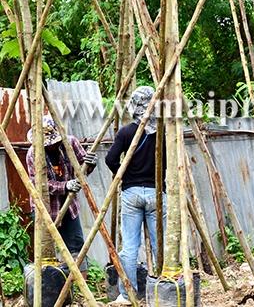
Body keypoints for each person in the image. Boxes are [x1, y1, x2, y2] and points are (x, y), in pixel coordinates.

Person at [105, 86, 165, 302]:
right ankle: (161, 290)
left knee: (130, 247)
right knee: (160, 244)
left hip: (131, 194)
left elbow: (110, 159)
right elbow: (167, 162)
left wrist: (124, 173)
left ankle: (126, 294)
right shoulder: (162, 132)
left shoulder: (126, 132)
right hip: (156, 193)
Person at [26, 115, 98, 277]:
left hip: (69, 205)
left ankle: (78, 286)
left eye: (54, 142)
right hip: (44, 208)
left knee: (76, 247)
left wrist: (91, 162)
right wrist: (64, 186)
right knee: (46, 251)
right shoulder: (33, 153)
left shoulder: (70, 143)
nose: (52, 146)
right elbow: (40, 184)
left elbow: (83, 165)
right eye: (49, 144)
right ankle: (49, 287)